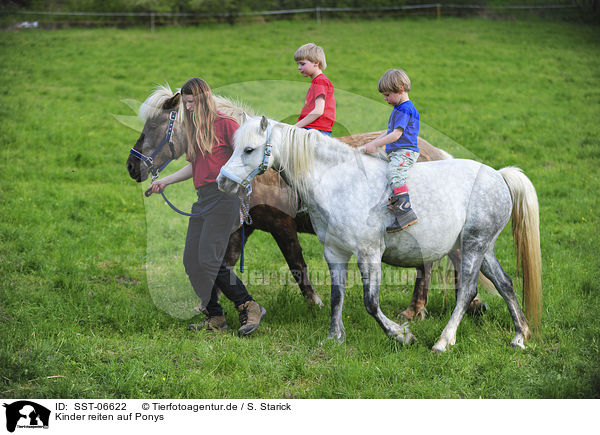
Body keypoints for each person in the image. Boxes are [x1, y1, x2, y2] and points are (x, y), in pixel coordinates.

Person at [148, 77, 266, 337]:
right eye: (186, 103)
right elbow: (195, 165)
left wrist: (244, 187)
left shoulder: (226, 125)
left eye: (191, 103)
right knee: (191, 260)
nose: (187, 108)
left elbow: (246, 158)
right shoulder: (195, 128)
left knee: (209, 259)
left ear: (203, 99)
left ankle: (248, 304)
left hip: (224, 197)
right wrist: (164, 181)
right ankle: (215, 315)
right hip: (203, 199)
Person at [363, 68, 420, 233]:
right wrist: (374, 142)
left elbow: (396, 135)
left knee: (394, 173)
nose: (386, 99)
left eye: (388, 95)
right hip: (396, 151)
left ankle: (405, 211)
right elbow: (389, 133)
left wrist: (376, 145)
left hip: (405, 151)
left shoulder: (404, 109)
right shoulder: (400, 108)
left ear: (400, 89)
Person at [294, 43, 336, 136]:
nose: (299, 68)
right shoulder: (318, 81)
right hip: (314, 129)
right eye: (298, 64)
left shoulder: (320, 81)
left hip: (315, 130)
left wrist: (294, 127)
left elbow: (318, 111)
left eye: (302, 64)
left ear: (316, 63)